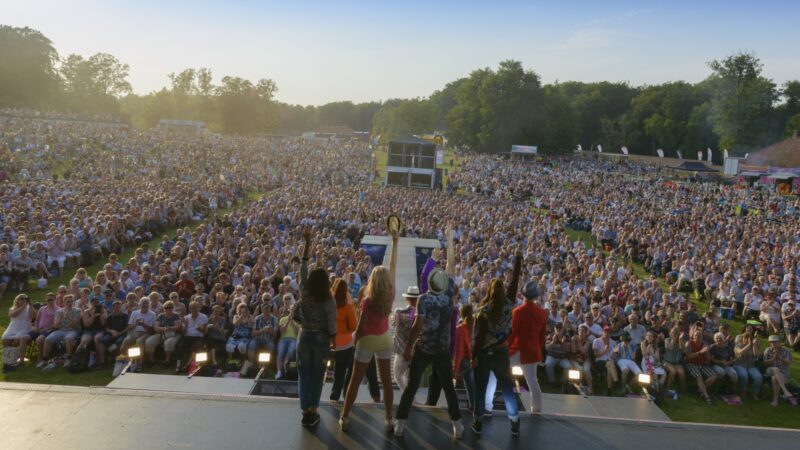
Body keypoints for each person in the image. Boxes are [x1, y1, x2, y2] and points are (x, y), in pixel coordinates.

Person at [339, 228, 398, 432]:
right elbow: (392, 266)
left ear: (372, 280)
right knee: (387, 382)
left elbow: (362, 325)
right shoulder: (391, 293)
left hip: (367, 341)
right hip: (384, 340)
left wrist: (356, 340)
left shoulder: (367, 300)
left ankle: (345, 417)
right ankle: (389, 418)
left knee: (355, 380)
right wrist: (396, 242)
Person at [394, 268, 463, 439]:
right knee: (449, 389)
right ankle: (458, 426)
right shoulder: (449, 297)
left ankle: (400, 425)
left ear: (430, 283)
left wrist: (408, 347)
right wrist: (449, 241)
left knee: (411, 387)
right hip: (442, 350)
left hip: (424, 348)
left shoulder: (424, 299)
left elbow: (418, 326)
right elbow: (452, 267)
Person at [470, 248, 522, 437]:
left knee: (480, 389)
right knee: (507, 388)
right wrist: (518, 258)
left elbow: (479, 338)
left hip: (484, 355)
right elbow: (514, 282)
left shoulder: (483, 312)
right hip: (501, 354)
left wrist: (473, 356)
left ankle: (478, 422)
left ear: (489, 291)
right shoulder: (509, 305)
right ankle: (514, 422)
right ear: (503, 292)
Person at [292, 225, 336, 428]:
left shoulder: (304, 291)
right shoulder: (328, 300)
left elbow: (302, 266)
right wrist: (333, 342)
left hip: (304, 337)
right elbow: (332, 325)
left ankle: (304, 411)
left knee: (304, 375)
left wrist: (308, 243)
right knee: (318, 376)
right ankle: (313, 410)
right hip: (320, 339)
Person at [508, 274, 547, 413]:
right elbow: (542, 336)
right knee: (532, 382)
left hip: (517, 349)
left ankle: (487, 403)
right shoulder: (542, 313)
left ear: (523, 294)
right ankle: (536, 409)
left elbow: (513, 333)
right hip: (532, 351)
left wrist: (505, 348)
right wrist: (538, 350)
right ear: (536, 296)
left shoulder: (517, 311)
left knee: (497, 372)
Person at [329, 278, 356, 402]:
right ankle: (346, 394)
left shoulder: (329, 305)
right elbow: (353, 327)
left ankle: (335, 395)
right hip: (346, 343)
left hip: (333, 342)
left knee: (338, 372)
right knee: (349, 371)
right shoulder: (348, 308)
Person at [392, 286, 420, 393]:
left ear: (407, 299)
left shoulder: (399, 312)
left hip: (401, 351)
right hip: (415, 350)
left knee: (397, 375)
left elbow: (394, 324)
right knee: (409, 377)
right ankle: (411, 399)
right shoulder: (421, 315)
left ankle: (408, 398)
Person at [685, 330, 717, 404]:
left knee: (714, 376)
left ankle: (699, 390)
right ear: (693, 336)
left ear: (702, 337)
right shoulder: (689, 343)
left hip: (702, 365)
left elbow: (708, 360)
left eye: (699, 336)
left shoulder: (704, 345)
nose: (697, 337)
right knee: (699, 376)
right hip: (691, 364)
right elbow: (687, 356)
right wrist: (700, 352)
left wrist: (706, 352)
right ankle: (706, 396)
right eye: (696, 335)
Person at [146, 300, 182, 365]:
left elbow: (178, 327)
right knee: (149, 341)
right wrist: (165, 329)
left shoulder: (176, 315)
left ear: (173, 308)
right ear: (164, 308)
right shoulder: (160, 316)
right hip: (161, 334)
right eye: (166, 308)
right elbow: (155, 327)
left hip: (174, 334)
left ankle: (167, 360)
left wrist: (168, 328)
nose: (168, 309)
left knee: (168, 343)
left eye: (170, 307)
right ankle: (151, 360)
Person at [2, 294, 35, 365]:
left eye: (25, 299)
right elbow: (13, 315)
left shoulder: (29, 308)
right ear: (17, 300)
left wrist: (31, 305)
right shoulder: (12, 308)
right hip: (13, 327)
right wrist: (23, 306)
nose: (23, 300)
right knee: (5, 339)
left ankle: (19, 357)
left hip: (24, 327)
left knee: (18, 339)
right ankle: (8, 357)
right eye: (21, 299)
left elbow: (33, 316)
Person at [733, 324, 762, 400]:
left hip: (750, 366)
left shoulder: (752, 346)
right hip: (739, 365)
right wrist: (748, 345)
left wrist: (754, 345)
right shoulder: (738, 345)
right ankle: (743, 391)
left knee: (758, 377)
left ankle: (755, 393)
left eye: (749, 338)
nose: (747, 340)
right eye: (745, 338)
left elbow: (756, 355)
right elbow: (739, 353)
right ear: (742, 338)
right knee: (744, 375)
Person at [763, 335, 794, 406]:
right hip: (770, 370)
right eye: (771, 342)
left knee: (775, 378)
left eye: (775, 342)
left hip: (783, 372)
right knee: (775, 369)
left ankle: (775, 400)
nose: (773, 344)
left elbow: (789, 363)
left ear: (779, 342)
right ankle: (784, 390)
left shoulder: (786, 350)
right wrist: (773, 359)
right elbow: (764, 363)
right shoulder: (768, 350)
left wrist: (780, 357)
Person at [276, 302, 298, 379]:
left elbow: (297, 332)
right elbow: (282, 331)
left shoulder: (298, 320)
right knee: (281, 353)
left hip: (293, 339)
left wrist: (292, 321)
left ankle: (286, 369)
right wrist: (288, 322)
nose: (293, 311)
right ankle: (279, 371)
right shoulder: (282, 319)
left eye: (294, 310)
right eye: (292, 309)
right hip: (283, 338)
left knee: (290, 352)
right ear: (289, 310)